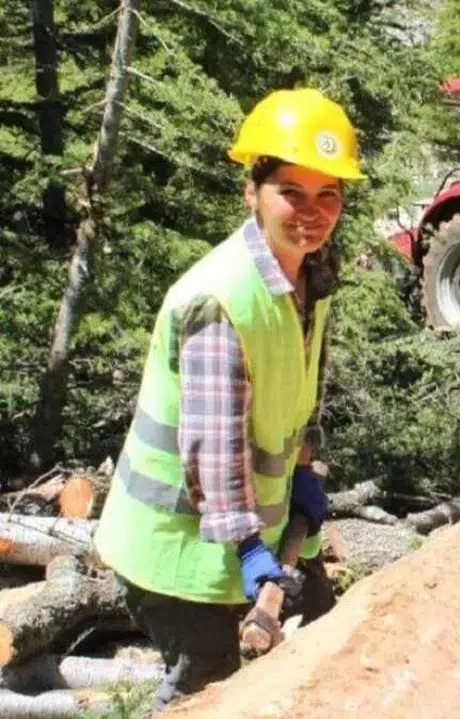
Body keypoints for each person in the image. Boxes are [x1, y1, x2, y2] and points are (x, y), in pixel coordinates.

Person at [92, 88, 366, 708]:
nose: (312, 211)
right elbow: (214, 449)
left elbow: (299, 398)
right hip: (185, 554)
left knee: (321, 648)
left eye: (328, 194)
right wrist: (248, 550)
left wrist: (301, 473)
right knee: (211, 694)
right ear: (252, 193)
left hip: (251, 540)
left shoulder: (309, 276)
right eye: (290, 192)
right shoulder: (222, 299)